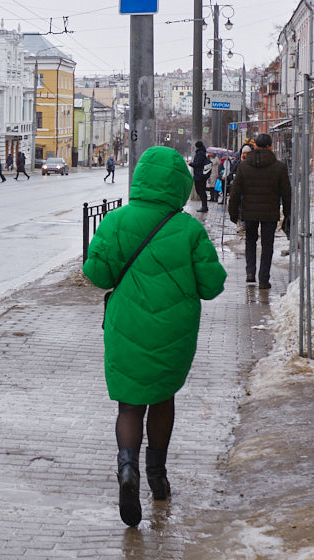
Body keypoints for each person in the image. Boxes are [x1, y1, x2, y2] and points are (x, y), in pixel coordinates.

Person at [82, 145, 226, 527]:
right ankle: (158, 479)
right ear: (179, 183)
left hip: (126, 326)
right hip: (173, 331)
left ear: (140, 178)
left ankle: (126, 469)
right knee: (162, 398)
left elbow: (97, 275)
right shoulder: (189, 230)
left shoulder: (116, 221)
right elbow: (212, 285)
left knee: (129, 407)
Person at [227, 133, 291, 290]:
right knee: (267, 245)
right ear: (271, 147)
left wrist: (233, 212)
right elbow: (286, 193)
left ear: (254, 146)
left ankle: (250, 271)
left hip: (249, 212)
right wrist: (288, 213)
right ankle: (263, 279)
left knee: (250, 241)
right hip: (270, 212)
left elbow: (235, 191)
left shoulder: (244, 166)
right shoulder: (279, 167)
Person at [189, 141, 210, 212]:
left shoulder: (200, 153)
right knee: (201, 191)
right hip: (201, 175)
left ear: (197, 146)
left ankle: (204, 206)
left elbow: (197, 164)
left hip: (199, 176)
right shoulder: (202, 152)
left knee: (200, 191)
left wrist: (191, 163)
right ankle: (204, 206)